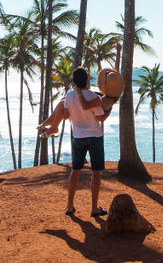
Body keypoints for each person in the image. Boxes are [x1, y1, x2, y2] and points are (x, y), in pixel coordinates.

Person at [63, 67, 110, 217]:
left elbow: (65, 115)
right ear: (87, 80)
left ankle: (70, 206)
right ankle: (94, 208)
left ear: (74, 81)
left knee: (74, 172)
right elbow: (101, 118)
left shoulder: (69, 95)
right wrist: (109, 109)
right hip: (94, 136)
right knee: (96, 173)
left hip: (78, 137)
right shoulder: (91, 95)